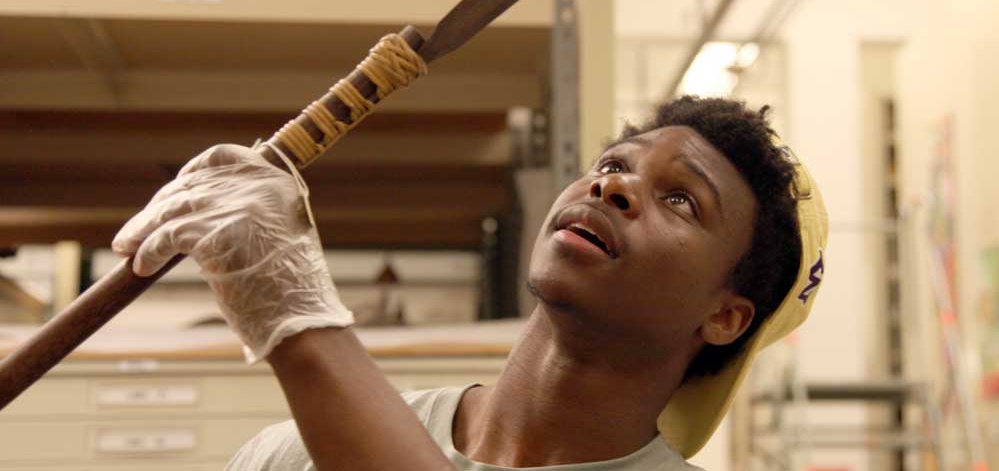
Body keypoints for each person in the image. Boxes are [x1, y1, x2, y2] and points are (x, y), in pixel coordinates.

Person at [112, 95, 828, 471]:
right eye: (615, 162)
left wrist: (296, 315)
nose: (614, 187)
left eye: (682, 200)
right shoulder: (286, 455)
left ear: (726, 316)